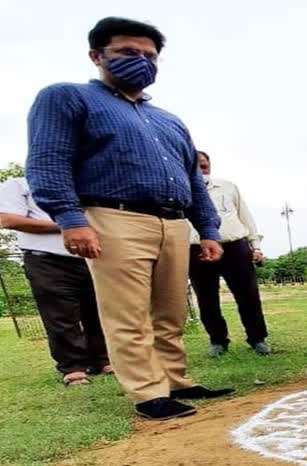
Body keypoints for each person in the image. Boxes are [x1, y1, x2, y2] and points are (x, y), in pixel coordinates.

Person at [25, 17, 233, 421]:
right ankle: (147, 393)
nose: (141, 62)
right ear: (96, 55)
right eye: (127, 53)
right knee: (128, 313)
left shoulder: (169, 120)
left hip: (173, 222)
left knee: (170, 312)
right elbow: (48, 161)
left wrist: (208, 230)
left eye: (149, 56)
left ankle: (175, 379)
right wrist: (71, 218)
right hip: (113, 216)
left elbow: (192, 177)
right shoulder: (67, 97)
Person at [0, 177, 109, 386]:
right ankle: (74, 368)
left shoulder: (83, 183)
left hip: (90, 258)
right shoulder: (20, 184)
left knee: (98, 310)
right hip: (46, 259)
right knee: (60, 315)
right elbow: (8, 219)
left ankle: (103, 360)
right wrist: (68, 225)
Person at [189, 151, 270, 357]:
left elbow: (246, 217)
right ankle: (217, 341)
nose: (201, 169)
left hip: (235, 246)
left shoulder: (227, 187)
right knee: (206, 298)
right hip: (198, 249)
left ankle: (257, 338)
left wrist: (256, 246)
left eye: (204, 166)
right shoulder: (181, 191)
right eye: (196, 166)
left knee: (248, 295)